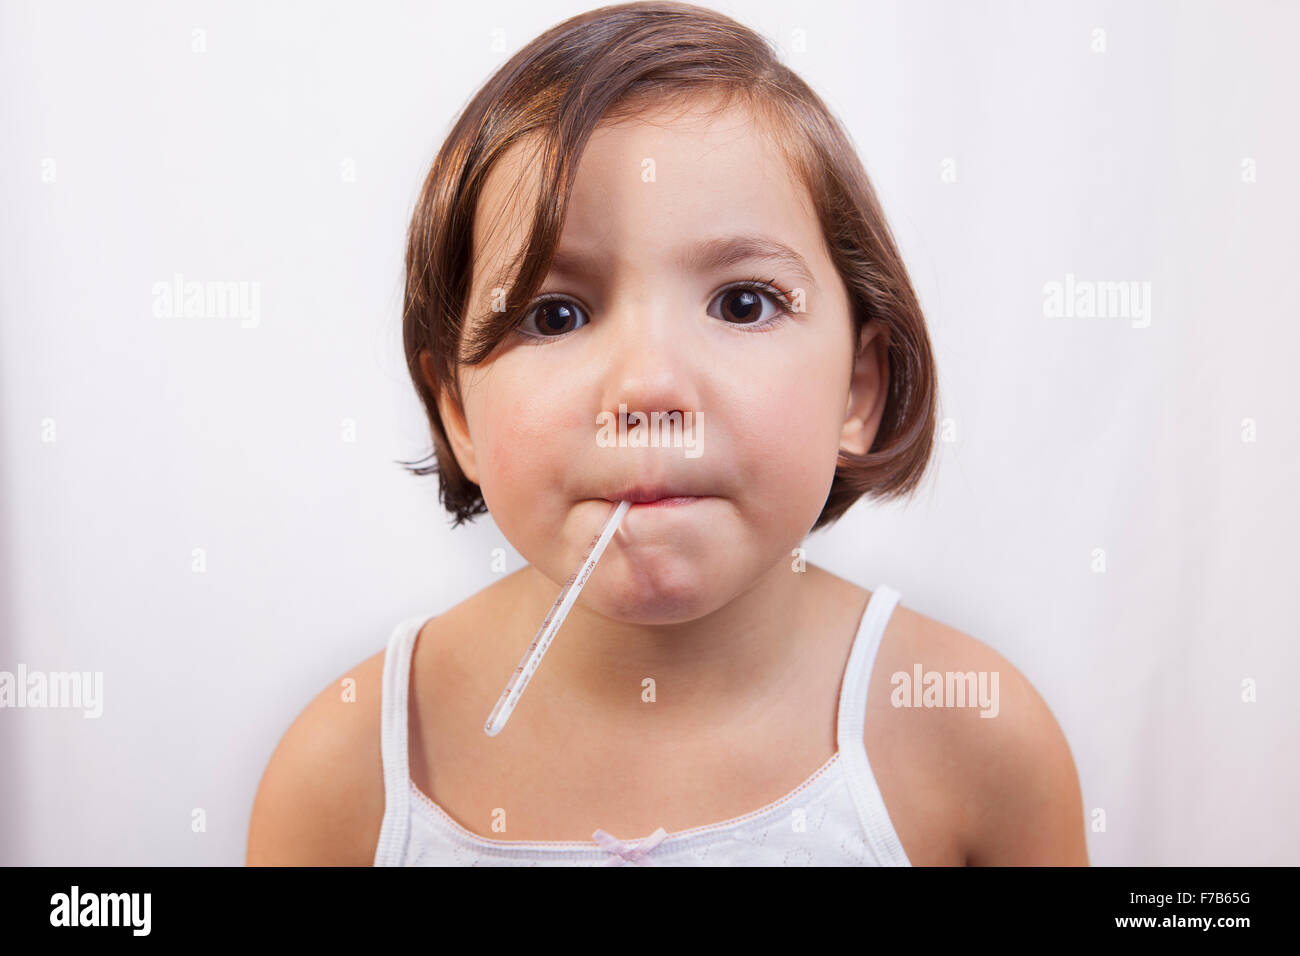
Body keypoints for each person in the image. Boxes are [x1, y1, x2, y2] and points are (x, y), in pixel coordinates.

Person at [247, 1, 1087, 866]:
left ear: (858, 387)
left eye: (743, 303)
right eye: (556, 314)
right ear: (457, 412)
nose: (650, 386)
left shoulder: (974, 737)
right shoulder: (344, 778)